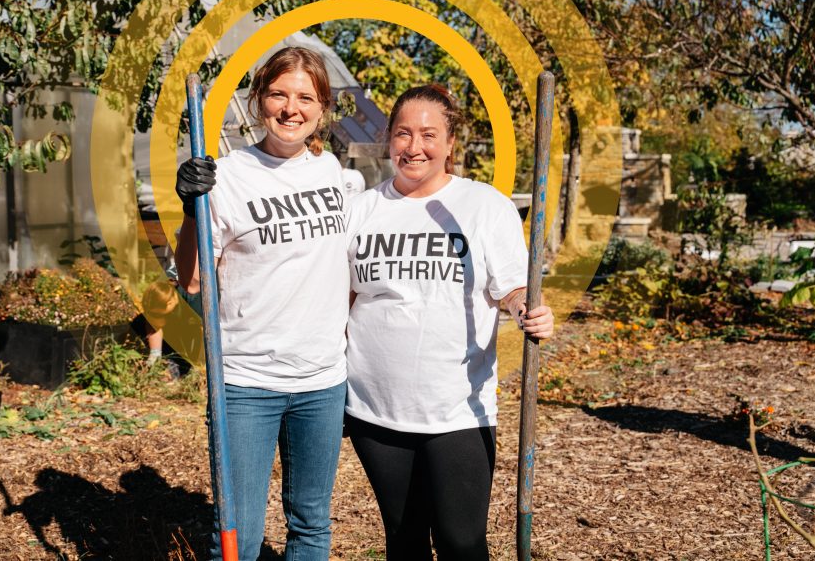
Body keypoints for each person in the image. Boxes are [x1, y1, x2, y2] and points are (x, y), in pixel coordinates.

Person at [344, 84, 555, 560]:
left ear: (450, 142)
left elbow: (512, 288)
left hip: (457, 408)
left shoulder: (484, 207)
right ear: (388, 139)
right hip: (375, 406)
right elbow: (344, 296)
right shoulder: (362, 210)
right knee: (404, 539)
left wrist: (529, 309)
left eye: (428, 134)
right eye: (402, 133)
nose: (413, 146)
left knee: (462, 543)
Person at [174, 47, 349, 561]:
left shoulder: (332, 170)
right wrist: (190, 212)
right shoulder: (226, 175)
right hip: (247, 382)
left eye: (305, 98)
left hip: (322, 380)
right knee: (238, 536)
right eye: (278, 94)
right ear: (258, 101)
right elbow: (190, 280)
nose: (290, 109)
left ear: (321, 109)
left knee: (312, 524)